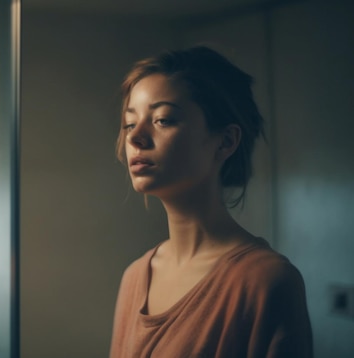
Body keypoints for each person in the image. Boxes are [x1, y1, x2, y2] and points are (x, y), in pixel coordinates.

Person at [110, 47, 313, 357]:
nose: (136, 138)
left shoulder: (266, 281)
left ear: (226, 141)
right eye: (129, 124)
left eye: (162, 120)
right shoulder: (134, 277)